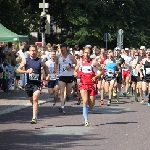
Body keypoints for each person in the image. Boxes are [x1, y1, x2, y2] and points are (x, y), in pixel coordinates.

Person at [17, 45, 50, 124]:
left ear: (37, 51)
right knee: (32, 100)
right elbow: (18, 70)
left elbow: (45, 67)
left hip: (37, 83)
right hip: (29, 84)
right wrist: (26, 71)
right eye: (31, 50)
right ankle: (35, 107)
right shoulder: (26, 60)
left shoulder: (40, 60)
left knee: (35, 98)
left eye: (34, 50)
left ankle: (34, 118)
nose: (33, 52)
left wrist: (48, 75)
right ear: (29, 51)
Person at [75, 47, 102, 126]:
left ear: (90, 54)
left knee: (91, 105)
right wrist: (76, 73)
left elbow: (102, 71)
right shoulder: (80, 62)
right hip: (83, 84)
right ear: (83, 53)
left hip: (92, 85)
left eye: (88, 53)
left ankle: (86, 116)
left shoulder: (94, 62)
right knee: (85, 101)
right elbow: (75, 71)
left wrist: (96, 77)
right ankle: (86, 120)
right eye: (85, 53)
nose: (87, 54)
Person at [55, 43, 77, 114]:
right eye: (61, 50)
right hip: (61, 76)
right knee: (61, 92)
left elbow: (76, 64)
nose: (62, 52)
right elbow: (56, 64)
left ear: (66, 49)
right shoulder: (58, 57)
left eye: (63, 50)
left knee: (68, 92)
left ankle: (68, 96)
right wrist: (56, 72)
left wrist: (70, 66)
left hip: (69, 76)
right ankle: (62, 107)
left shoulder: (70, 57)